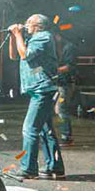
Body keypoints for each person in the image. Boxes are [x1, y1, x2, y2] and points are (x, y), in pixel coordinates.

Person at [9, 15, 65, 180]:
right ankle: (54, 167)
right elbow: (15, 56)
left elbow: (25, 55)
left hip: (43, 90)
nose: (25, 25)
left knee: (30, 129)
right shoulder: (33, 38)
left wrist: (18, 34)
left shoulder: (44, 36)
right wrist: (14, 37)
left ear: (38, 26)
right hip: (38, 87)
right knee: (45, 130)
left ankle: (28, 168)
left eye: (29, 23)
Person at [53, 30, 81, 146]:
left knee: (61, 110)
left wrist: (54, 70)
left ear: (59, 36)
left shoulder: (69, 47)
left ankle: (67, 137)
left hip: (66, 84)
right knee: (57, 109)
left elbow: (70, 66)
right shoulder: (61, 47)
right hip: (61, 83)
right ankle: (64, 134)